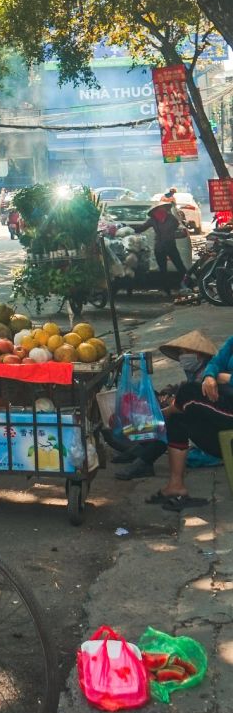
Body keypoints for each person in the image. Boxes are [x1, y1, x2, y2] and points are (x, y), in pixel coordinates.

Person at [101, 330, 216, 481]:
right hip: (204, 421)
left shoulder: (208, 377)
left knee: (172, 421)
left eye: (185, 352)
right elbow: (184, 389)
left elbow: (190, 405)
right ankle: (140, 451)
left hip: (213, 430)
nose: (182, 356)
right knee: (157, 405)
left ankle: (144, 461)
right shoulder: (198, 372)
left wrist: (166, 411)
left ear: (199, 355)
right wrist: (168, 394)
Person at [148, 332, 233, 510]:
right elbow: (217, 361)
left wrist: (227, 378)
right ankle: (175, 485)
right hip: (226, 407)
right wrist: (210, 376)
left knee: (187, 393)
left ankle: (164, 414)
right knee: (179, 420)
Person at [138, 192, 187, 291]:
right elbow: (177, 226)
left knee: (164, 269)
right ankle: (184, 284)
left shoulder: (153, 219)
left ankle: (167, 288)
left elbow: (140, 228)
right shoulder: (171, 218)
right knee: (179, 266)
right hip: (168, 245)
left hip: (160, 246)